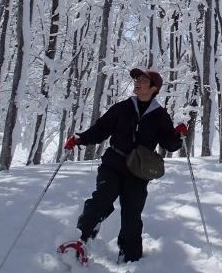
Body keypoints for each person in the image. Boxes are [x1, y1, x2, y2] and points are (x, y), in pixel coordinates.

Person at [58, 67, 188, 265]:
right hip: (113, 164)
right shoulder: (123, 108)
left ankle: (131, 258)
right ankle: (80, 241)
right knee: (102, 198)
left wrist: (177, 135)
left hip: (137, 172)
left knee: (132, 215)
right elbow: (100, 130)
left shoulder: (160, 115)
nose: (137, 81)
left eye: (143, 80)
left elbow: (168, 144)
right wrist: (79, 139)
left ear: (154, 88)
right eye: (136, 78)